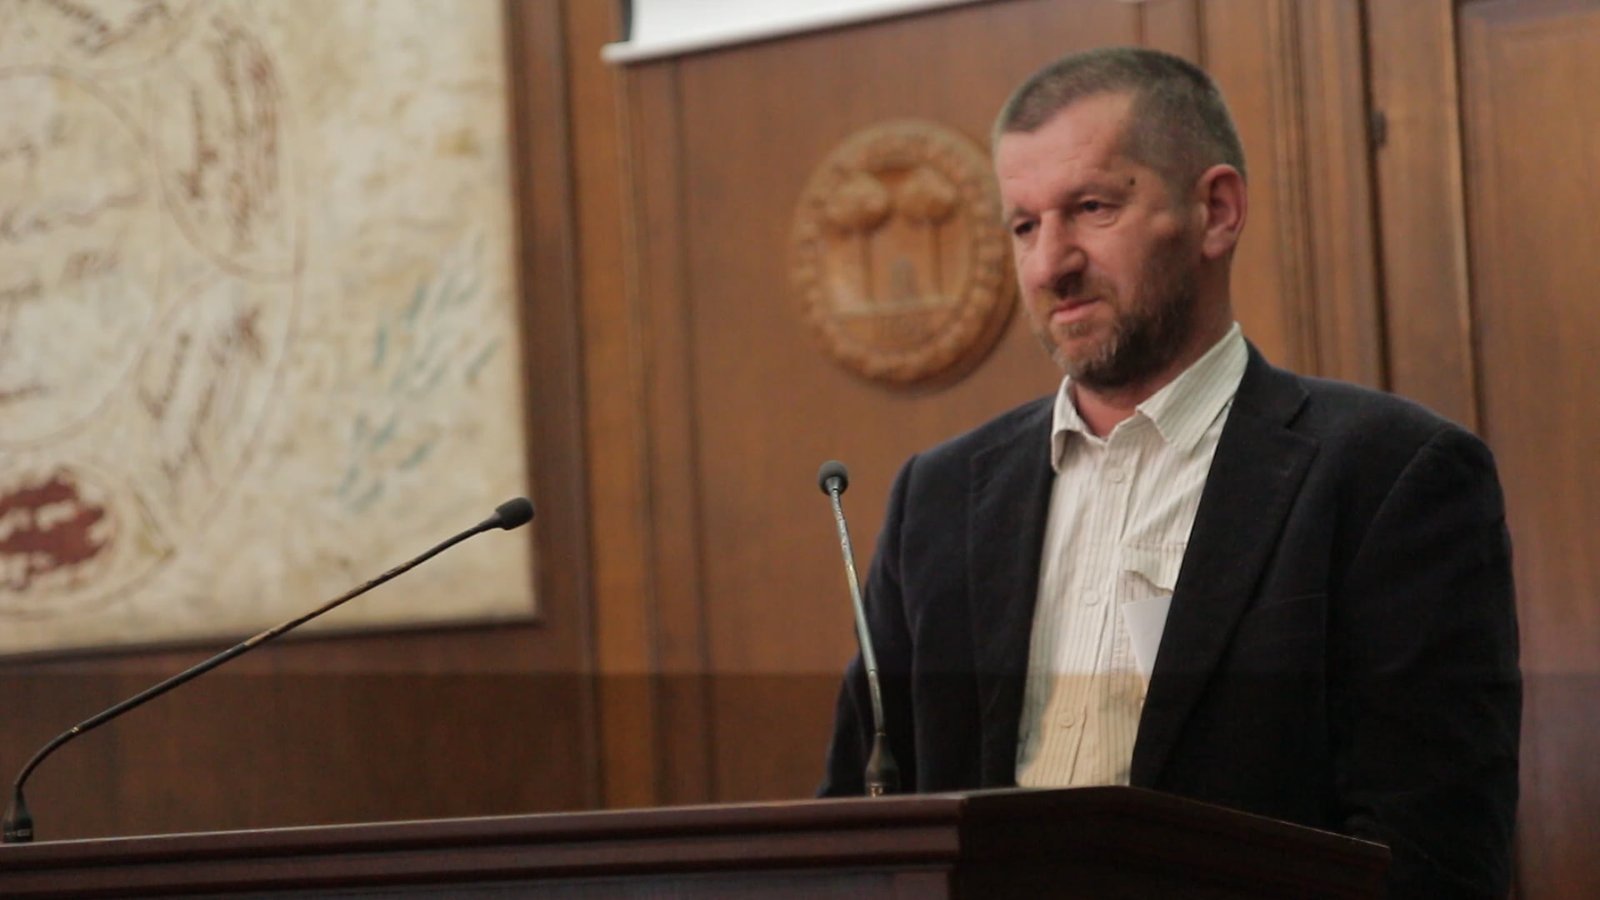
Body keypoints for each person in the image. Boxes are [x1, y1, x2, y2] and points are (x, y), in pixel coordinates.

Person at [820, 47, 1520, 899]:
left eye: (1091, 208)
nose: (1049, 264)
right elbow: (852, 829)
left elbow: (1433, 857)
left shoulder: (1392, 476)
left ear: (1216, 211)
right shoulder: (937, 495)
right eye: (1024, 225)